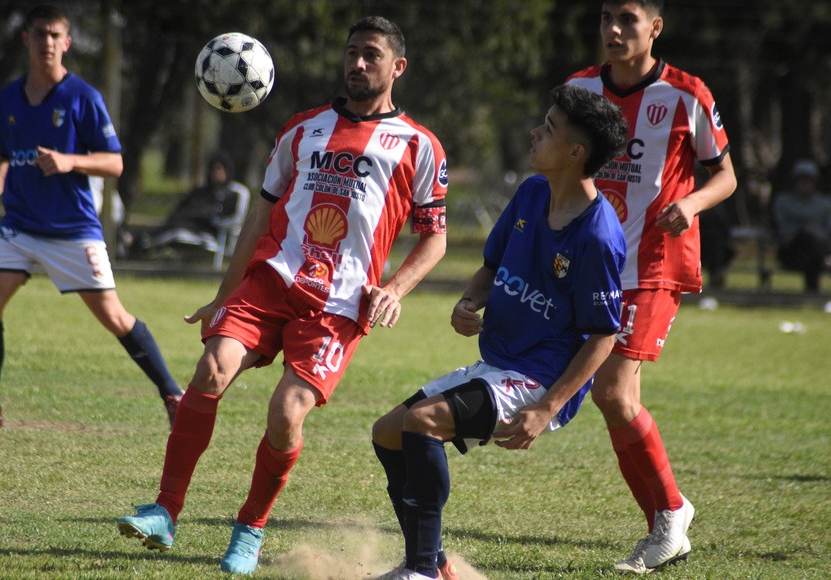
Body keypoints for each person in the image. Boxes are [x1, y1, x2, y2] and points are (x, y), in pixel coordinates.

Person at [117, 16, 449, 576]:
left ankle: (250, 528)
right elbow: (261, 214)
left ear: (398, 67)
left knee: (286, 412)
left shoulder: (420, 145)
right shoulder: (302, 128)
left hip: (340, 305)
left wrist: (394, 290)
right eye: (351, 52)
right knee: (210, 370)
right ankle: (165, 511)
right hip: (272, 280)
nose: (357, 63)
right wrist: (224, 294)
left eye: (371, 54)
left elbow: (434, 238)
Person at [371, 84, 629, 580]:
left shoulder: (597, 235)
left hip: (538, 379)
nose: (535, 133)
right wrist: (469, 303)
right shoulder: (532, 193)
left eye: (549, 129)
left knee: (422, 422)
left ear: (575, 153)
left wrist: (547, 407)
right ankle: (435, 562)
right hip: (498, 364)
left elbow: (603, 336)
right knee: (388, 435)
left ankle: (421, 571)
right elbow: (490, 268)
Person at [565, 0, 738, 573]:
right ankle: (667, 521)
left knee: (612, 392)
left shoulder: (687, 95)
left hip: (654, 264)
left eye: (628, 20)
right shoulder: (579, 89)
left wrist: (692, 203)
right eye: (605, 18)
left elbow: (726, 176)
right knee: (615, 399)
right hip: (593, 262)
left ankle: (669, 516)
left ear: (655, 27)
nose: (613, 30)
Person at [0, 4, 184, 430]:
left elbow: (115, 163)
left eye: (54, 35)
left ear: (66, 42)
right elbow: (7, 158)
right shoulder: (9, 97)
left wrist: (69, 161)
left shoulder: (83, 97)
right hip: (20, 224)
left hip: (71, 229)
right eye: (39, 33)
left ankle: (173, 394)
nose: (46, 42)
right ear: (26, 38)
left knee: (113, 316)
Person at [143, 151, 250, 260]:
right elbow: (180, 211)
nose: (217, 173)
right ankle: (142, 241)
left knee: (176, 231)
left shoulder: (236, 194)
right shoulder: (201, 192)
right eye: (214, 169)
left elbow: (234, 220)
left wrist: (210, 219)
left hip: (210, 234)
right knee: (173, 227)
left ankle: (144, 243)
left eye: (220, 169)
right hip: (186, 226)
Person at [772, 159, 831, 293]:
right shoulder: (783, 202)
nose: (805, 184)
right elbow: (781, 229)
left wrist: (813, 233)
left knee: (813, 246)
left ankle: (812, 291)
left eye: (808, 180)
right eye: (802, 180)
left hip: (818, 251)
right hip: (792, 250)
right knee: (806, 239)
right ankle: (812, 290)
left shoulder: (824, 205)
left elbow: (828, 232)